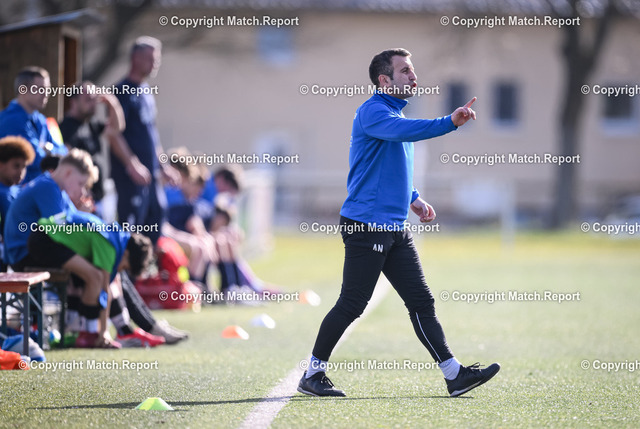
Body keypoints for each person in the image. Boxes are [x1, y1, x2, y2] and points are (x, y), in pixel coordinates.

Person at [298, 48, 500, 398]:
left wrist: (413, 198)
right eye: (405, 70)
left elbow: (390, 166)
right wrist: (449, 122)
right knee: (352, 304)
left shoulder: (394, 113)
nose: (413, 76)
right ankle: (313, 374)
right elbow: (409, 133)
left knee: (422, 301)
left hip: (394, 226)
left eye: (412, 69)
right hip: (367, 225)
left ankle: (454, 375)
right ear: (384, 80)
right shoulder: (374, 111)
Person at [3, 149, 119, 348]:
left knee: (103, 269)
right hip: (25, 253)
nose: (82, 191)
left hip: (38, 249)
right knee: (96, 271)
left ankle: (94, 329)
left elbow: (71, 225)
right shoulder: (47, 187)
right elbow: (62, 231)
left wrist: (81, 214)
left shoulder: (57, 190)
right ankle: (88, 331)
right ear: (68, 173)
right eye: (81, 184)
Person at [110, 36, 179, 245]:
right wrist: (132, 164)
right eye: (150, 58)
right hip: (131, 177)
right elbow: (113, 133)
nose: (155, 63)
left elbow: (152, 134)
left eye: (157, 59)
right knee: (132, 232)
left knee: (156, 221)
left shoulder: (147, 92)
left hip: (152, 176)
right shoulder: (122, 91)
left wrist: (163, 165)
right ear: (135, 58)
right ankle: (128, 267)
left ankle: (150, 267)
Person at [60, 81, 151, 210]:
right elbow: (67, 164)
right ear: (74, 101)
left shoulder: (90, 123)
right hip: (82, 198)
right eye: (88, 100)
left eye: (94, 100)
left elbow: (117, 128)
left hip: (100, 196)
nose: (93, 104)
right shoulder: (65, 129)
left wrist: (113, 103)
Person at [0, 67, 68, 183]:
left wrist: (49, 149)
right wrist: (48, 152)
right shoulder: (11, 120)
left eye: (47, 89)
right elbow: (35, 159)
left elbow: (64, 152)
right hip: (19, 189)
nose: (46, 94)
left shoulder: (41, 120)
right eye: (40, 89)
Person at [0, 136, 35, 267]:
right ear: (1, 164)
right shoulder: (2, 193)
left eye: (24, 167)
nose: (21, 172)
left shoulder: (20, 190)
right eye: (16, 166)